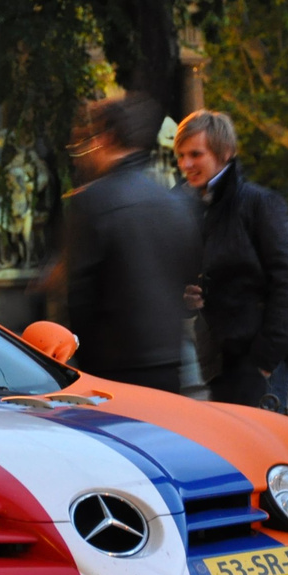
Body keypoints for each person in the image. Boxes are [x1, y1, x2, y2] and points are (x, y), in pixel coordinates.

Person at [62, 94, 200, 392]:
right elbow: (188, 281)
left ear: (107, 138)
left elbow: (80, 298)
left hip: (110, 372)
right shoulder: (176, 203)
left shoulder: (91, 201)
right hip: (170, 367)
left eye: (89, 139)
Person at [174, 110, 288, 411]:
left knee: (261, 450)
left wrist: (265, 359)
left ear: (224, 153)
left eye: (196, 154)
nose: (186, 164)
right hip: (218, 361)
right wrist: (184, 297)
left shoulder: (259, 204)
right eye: (181, 155)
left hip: (255, 360)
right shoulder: (191, 205)